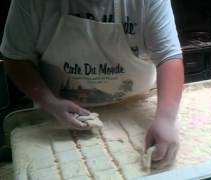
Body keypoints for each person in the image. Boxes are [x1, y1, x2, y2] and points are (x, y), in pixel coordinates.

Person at [1, 0, 184, 169]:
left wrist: (165, 118)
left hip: (135, 103)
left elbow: (168, 57)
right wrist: (49, 101)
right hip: (57, 117)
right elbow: (16, 58)